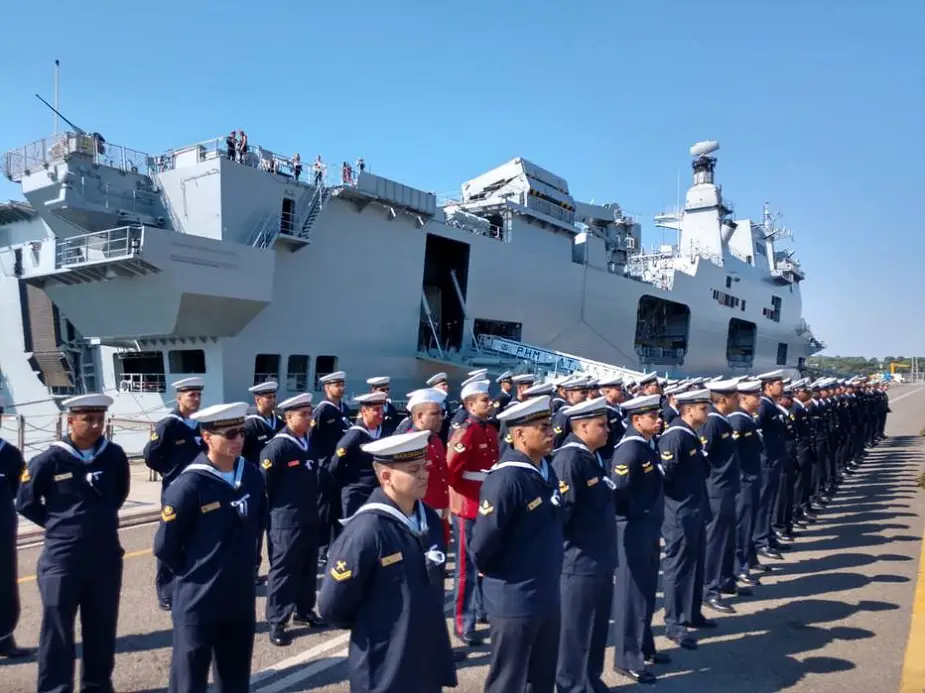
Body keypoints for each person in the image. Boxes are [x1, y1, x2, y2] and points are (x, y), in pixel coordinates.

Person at [318, 430, 457, 693]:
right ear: (386, 477)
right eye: (414, 469)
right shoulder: (367, 530)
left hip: (426, 659)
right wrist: (376, 622)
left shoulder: (428, 518)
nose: (424, 474)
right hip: (385, 663)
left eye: (424, 466)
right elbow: (332, 605)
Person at [17, 394, 130, 693]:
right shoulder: (49, 460)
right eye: (88, 420)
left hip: (104, 555)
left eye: (100, 420)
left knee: (102, 626)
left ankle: (97, 685)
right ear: (71, 421)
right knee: (57, 629)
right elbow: (25, 502)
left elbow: (118, 493)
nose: (95, 426)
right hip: (62, 557)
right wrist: (60, 524)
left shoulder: (113, 456)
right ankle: (55, 688)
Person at [154, 402, 266, 693]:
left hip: (239, 596)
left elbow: (258, 522)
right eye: (230, 434)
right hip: (199, 598)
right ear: (207, 438)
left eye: (241, 432)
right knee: (189, 679)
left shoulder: (251, 475)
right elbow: (165, 546)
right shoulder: (189, 485)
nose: (239, 440)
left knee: (235, 677)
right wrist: (197, 573)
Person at [471, 396, 563, 693]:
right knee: (508, 680)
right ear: (519, 434)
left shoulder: (544, 469)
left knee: (542, 676)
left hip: (545, 592)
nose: (551, 433)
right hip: (515, 596)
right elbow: (483, 544)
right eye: (543, 427)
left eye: (550, 426)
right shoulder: (507, 479)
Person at [551, 396, 617, 693]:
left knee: (596, 626)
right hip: (578, 560)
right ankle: (571, 685)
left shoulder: (591, 457)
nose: (608, 431)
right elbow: (563, 515)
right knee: (575, 631)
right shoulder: (569, 460)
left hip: (599, 557)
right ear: (582, 427)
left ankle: (590, 679)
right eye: (601, 425)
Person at [260, 394, 325, 647]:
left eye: (310, 413)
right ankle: (277, 620)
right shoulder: (279, 446)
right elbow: (265, 485)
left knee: (308, 567)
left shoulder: (307, 442)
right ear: (288, 418)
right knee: (284, 570)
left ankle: (304, 611)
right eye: (303, 414)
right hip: (285, 520)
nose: (309, 418)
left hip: (309, 515)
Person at [610, 394, 665, 684]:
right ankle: (627, 658)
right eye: (652, 416)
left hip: (647, 527)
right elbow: (618, 495)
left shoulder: (646, 445)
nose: (659, 420)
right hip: (633, 529)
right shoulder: (630, 450)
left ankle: (644, 646)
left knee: (645, 591)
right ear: (636, 420)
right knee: (630, 596)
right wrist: (634, 518)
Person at [144, 377, 205, 611]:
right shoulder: (168, 425)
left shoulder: (200, 424)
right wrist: (170, 472)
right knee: (171, 539)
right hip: (175, 491)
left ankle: (190, 580)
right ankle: (166, 590)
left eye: (198, 395)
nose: (196, 399)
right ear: (179, 398)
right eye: (191, 395)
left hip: (199, 490)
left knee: (195, 537)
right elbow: (151, 455)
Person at [0, 397, 28, 659]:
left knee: (5, 582)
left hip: (1, 525)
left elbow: (18, 487)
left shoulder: (9, 454)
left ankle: (4, 638)